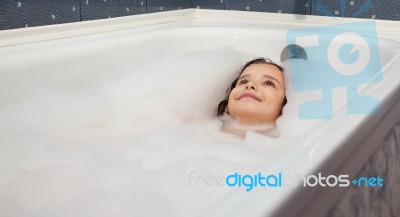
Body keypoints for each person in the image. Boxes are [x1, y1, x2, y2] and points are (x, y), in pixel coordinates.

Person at [217, 57, 287, 138]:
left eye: (268, 83)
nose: (249, 84)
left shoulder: (295, 146)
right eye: (244, 81)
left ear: (285, 104)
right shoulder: (202, 130)